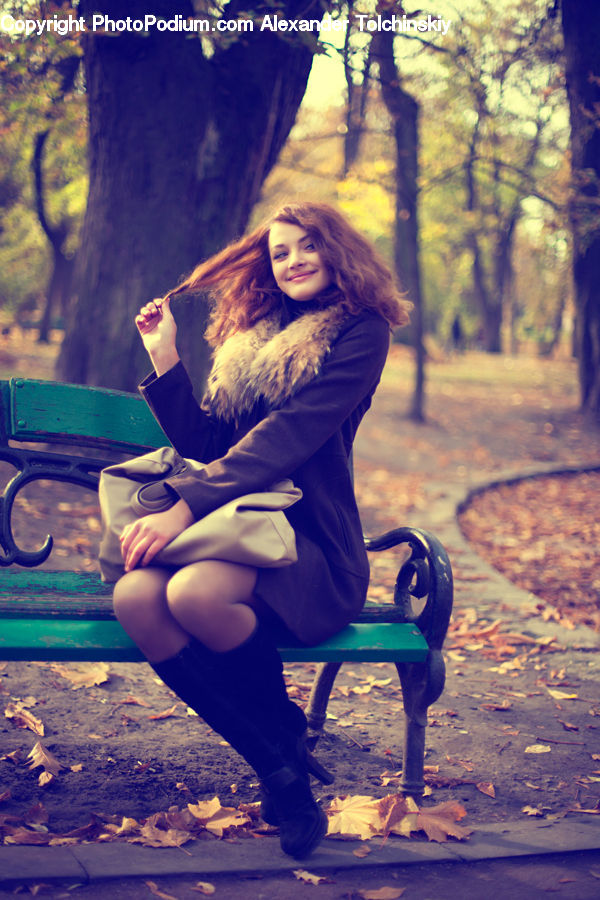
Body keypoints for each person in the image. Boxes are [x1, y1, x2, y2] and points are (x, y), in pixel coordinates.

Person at [111, 202, 411, 859]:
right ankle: (280, 758)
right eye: (280, 253)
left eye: (308, 246)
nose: (294, 260)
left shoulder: (362, 331)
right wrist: (165, 357)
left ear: (336, 251)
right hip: (234, 527)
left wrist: (185, 505)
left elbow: (290, 436)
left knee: (192, 595)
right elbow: (211, 441)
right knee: (134, 597)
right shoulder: (255, 334)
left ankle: (287, 774)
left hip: (308, 546)